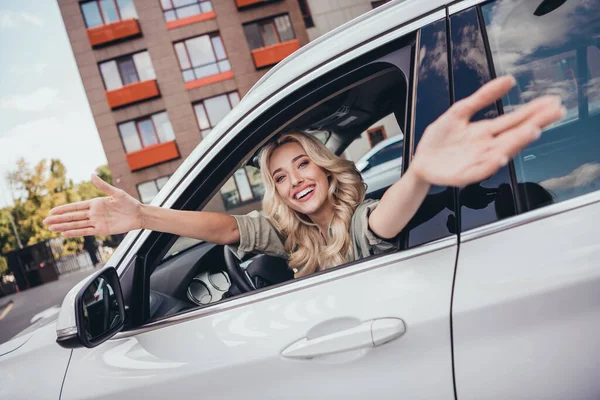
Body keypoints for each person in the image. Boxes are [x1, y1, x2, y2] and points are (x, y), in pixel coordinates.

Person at [43, 76, 565, 278]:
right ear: (278, 193)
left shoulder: (359, 220)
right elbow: (226, 229)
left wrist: (421, 173)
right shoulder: (289, 234)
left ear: (325, 167)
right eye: (280, 177)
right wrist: (140, 216)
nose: (295, 180)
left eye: (302, 164)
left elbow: (387, 220)